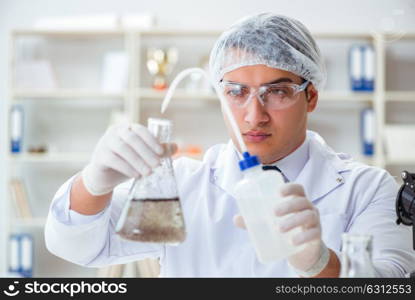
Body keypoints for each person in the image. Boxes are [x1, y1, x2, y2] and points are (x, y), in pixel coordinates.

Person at [44, 12, 415, 277]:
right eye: (236, 92)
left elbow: (392, 281)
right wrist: (93, 184)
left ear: (311, 96)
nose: (255, 115)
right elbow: (78, 247)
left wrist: (323, 265)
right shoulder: (183, 184)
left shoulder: (365, 188)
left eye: (278, 92)